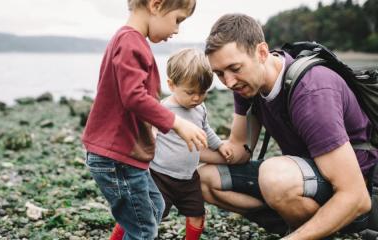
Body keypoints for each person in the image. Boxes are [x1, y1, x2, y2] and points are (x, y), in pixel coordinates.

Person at [198, 13, 378, 239]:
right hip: (303, 178)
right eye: (220, 74)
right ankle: (302, 225)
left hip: (355, 190)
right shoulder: (246, 86)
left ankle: (320, 230)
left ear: (262, 52)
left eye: (235, 68)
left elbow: (357, 196)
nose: (229, 82)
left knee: (274, 177)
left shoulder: (311, 91)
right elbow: (237, 150)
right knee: (203, 180)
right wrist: (173, 149)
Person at [81, 1, 209, 239]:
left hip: (123, 157)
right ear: (156, 5)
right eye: (178, 20)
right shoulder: (130, 42)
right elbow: (133, 96)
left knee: (155, 207)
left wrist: (147, 128)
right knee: (143, 230)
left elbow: (128, 100)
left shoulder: (131, 41)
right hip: (115, 158)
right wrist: (176, 122)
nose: (177, 30)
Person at [149, 48, 233, 240]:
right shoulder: (163, 109)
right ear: (171, 85)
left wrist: (219, 145)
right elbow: (149, 135)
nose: (196, 98)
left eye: (202, 92)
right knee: (147, 217)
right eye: (190, 92)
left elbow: (206, 130)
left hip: (188, 177)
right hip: (160, 177)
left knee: (197, 215)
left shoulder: (199, 108)